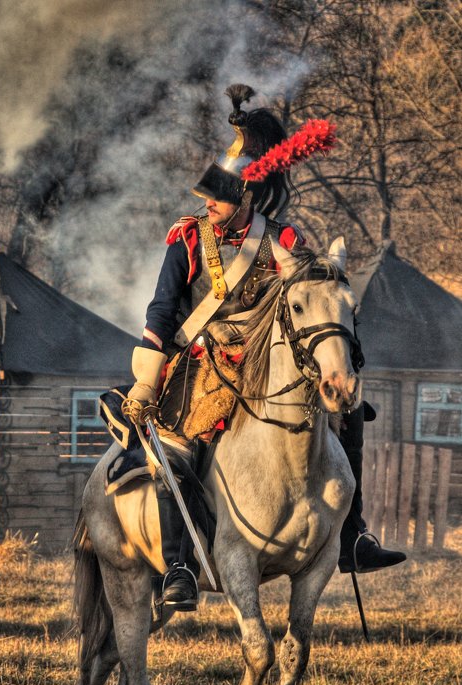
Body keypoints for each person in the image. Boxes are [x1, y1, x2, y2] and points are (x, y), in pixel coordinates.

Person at [125, 84, 406, 611]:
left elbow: (315, 298)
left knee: (347, 419)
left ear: (247, 197)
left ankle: (353, 537)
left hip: (273, 363)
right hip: (203, 365)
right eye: (207, 195)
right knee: (176, 451)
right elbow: (162, 312)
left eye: (218, 196)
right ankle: (180, 564)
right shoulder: (187, 241)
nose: (207, 203)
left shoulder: (285, 242)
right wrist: (147, 375)